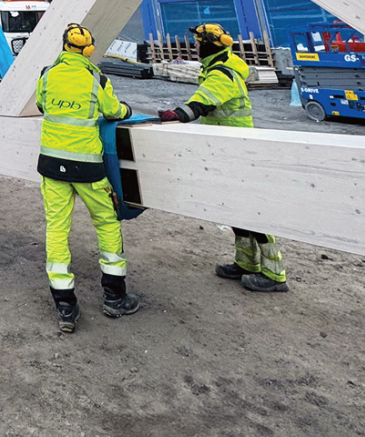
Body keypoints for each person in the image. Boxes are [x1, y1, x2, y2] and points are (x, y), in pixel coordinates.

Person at [158, 23, 288, 294]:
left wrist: (177, 114)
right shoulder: (218, 66)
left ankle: (275, 275)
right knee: (234, 206)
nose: (194, 46)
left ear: (207, 44)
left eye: (196, 41)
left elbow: (203, 102)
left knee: (252, 209)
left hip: (238, 149)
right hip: (225, 146)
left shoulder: (222, 73)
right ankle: (246, 263)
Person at [36, 22, 140, 332]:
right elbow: (112, 111)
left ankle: (65, 305)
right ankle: (114, 297)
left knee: (56, 229)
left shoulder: (47, 75)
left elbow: (42, 105)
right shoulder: (97, 79)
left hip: (52, 167)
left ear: (64, 46)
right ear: (89, 50)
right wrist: (126, 109)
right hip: (89, 170)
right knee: (107, 223)